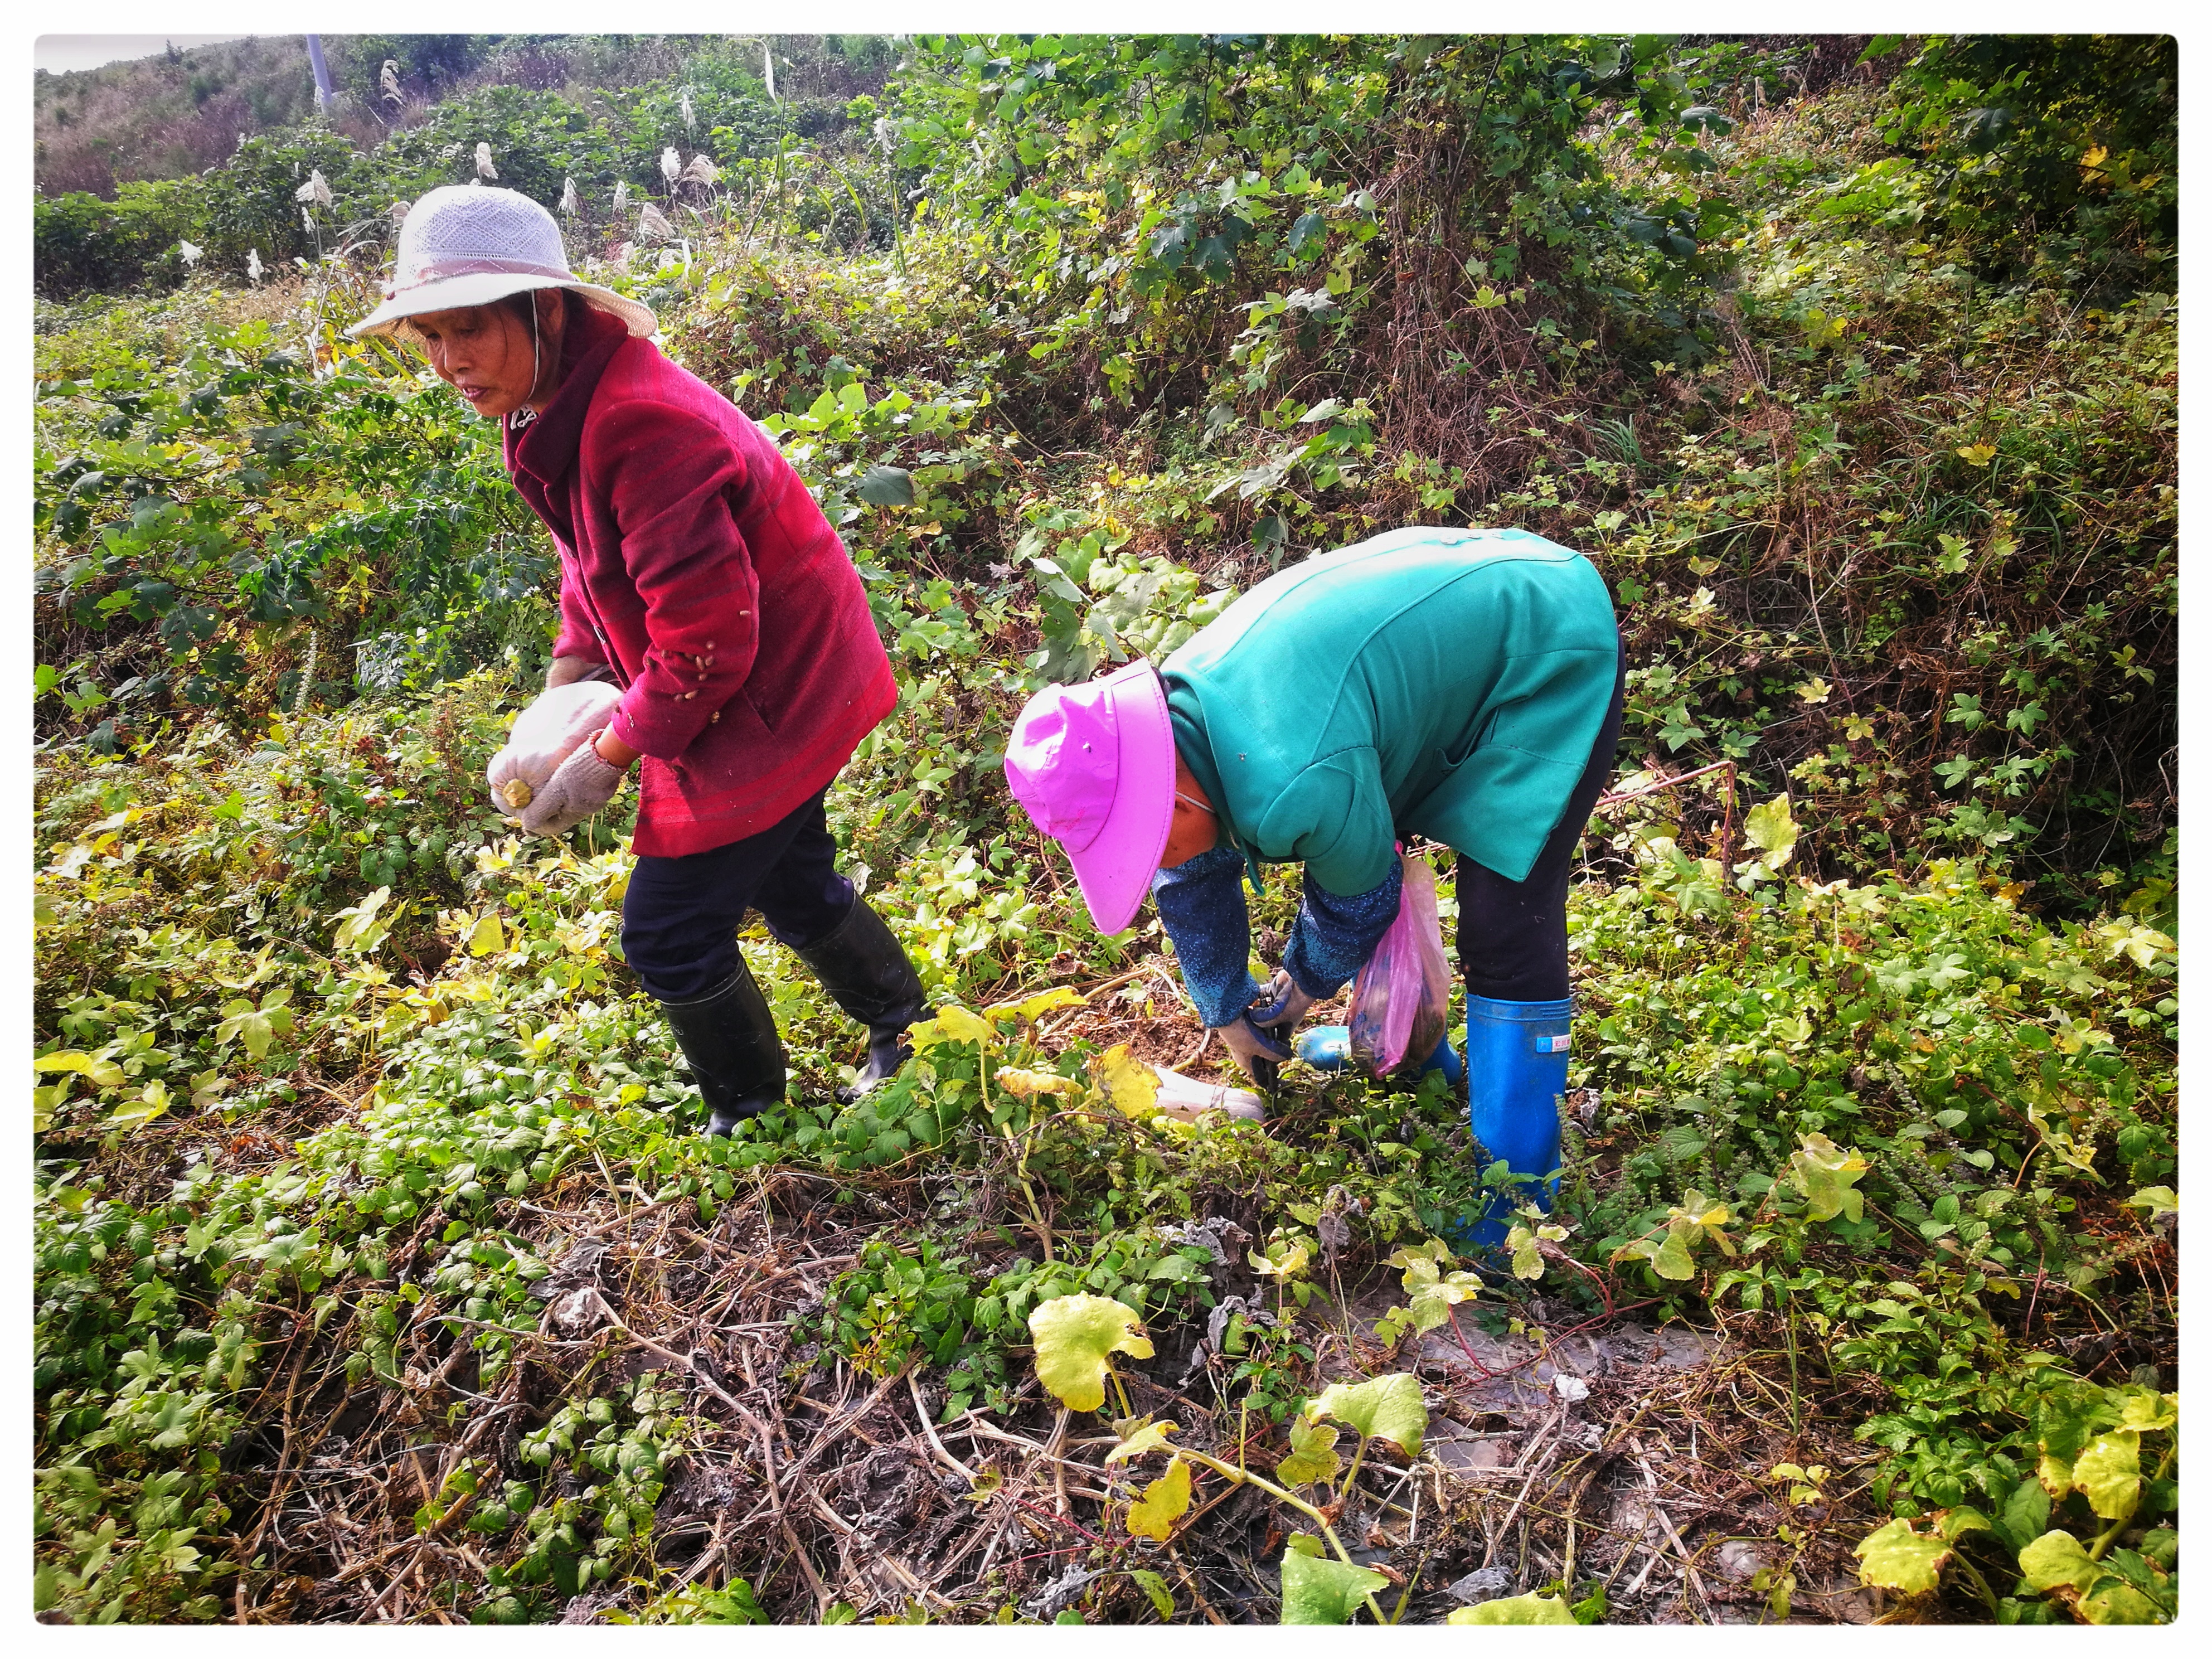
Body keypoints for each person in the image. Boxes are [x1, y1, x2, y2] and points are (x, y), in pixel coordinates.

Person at [347, 185, 927, 1135]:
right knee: (788, 876)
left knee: (668, 931)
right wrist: (567, 682)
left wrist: (605, 757)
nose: (450, 361)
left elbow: (706, 645)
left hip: (778, 684)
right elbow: (590, 561)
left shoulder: (641, 423)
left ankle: (752, 1116)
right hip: (763, 672)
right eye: (430, 337)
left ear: (542, 309)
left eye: (468, 331)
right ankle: (909, 1027)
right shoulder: (546, 404)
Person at [1004, 526, 1624, 1240]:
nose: (1144, 866)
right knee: (1363, 841)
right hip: (1440, 642)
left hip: (1539, 642)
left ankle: (1517, 1210)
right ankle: (1418, 1058)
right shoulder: (1173, 738)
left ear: (1170, 804)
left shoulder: (1291, 781)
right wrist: (1227, 1009)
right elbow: (1189, 873)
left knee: (1506, 921)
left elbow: (1359, 900)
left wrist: (1295, 991)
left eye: (1139, 846)